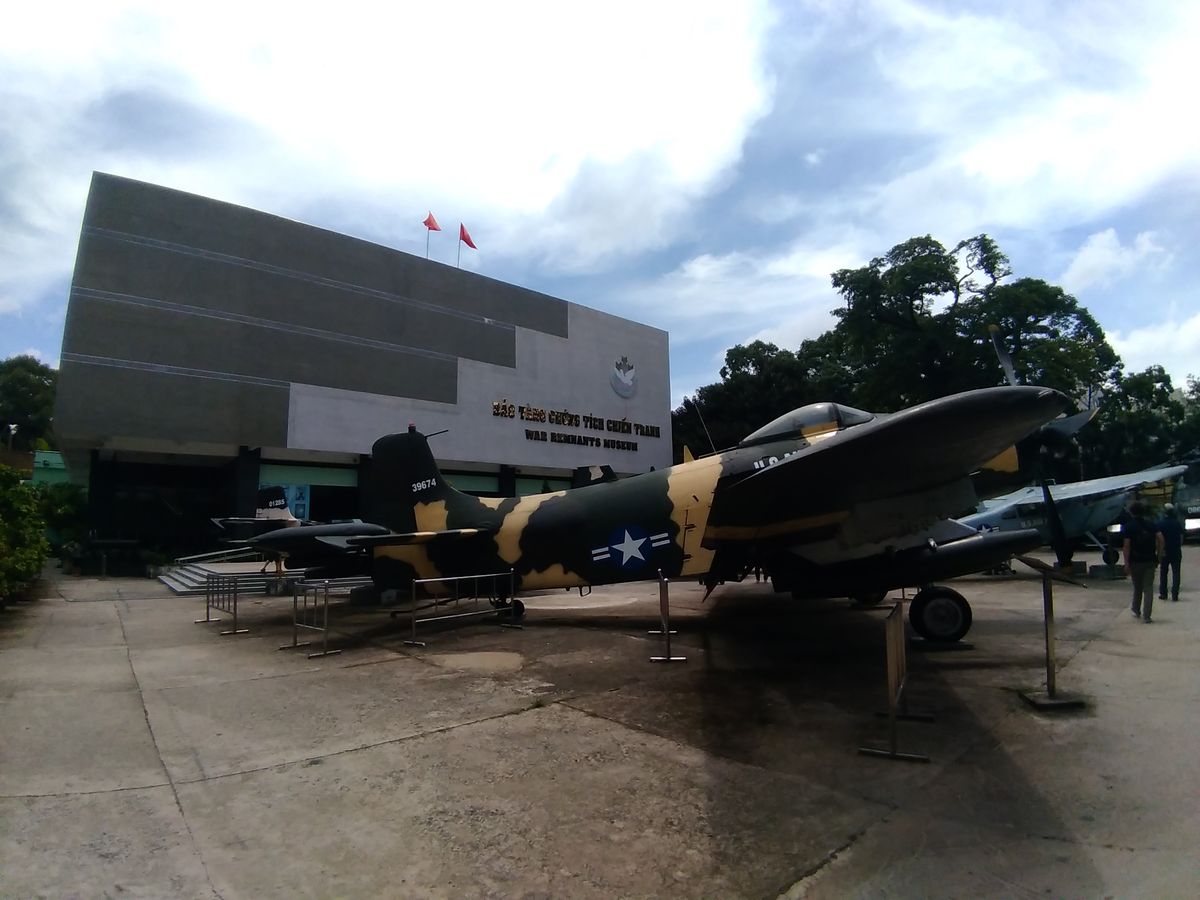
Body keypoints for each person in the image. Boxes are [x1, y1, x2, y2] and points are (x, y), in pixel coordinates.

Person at [1123, 501, 1163, 622]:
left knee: (1137, 586)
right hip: (1150, 559)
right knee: (1148, 588)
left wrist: (1126, 563)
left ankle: (1136, 608)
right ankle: (1147, 616)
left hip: (1135, 561)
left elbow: (1126, 546)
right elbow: (1161, 539)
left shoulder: (1129, 526)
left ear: (1131, 512)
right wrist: (1159, 554)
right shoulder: (1151, 524)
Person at [1157, 502, 1184, 602]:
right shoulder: (1177, 523)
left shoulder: (1160, 524)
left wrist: (1159, 552)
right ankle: (1175, 594)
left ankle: (1163, 593)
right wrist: (1178, 546)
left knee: (1163, 572)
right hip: (1176, 550)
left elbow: (1158, 539)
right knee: (1176, 573)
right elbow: (1181, 538)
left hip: (1165, 551)